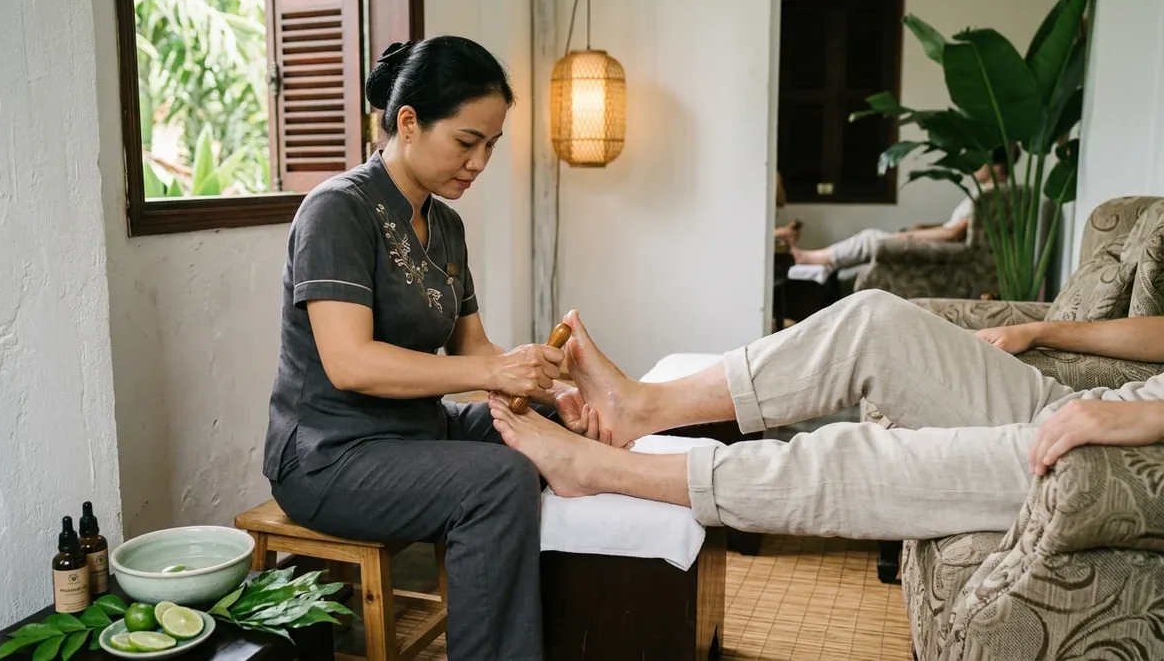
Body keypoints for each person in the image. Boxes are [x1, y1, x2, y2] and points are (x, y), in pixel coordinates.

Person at [262, 36, 597, 661]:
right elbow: (350, 362)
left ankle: (590, 625)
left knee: (558, 425)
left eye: (490, 147)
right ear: (408, 122)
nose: (478, 162)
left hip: (415, 433)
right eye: (467, 141)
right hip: (329, 456)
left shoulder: (445, 224)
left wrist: (534, 377)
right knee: (497, 480)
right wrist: (493, 369)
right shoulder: (337, 211)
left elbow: (474, 348)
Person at [486, 290, 1164, 541]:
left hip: (1127, 458)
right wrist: (1045, 332)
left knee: (854, 456)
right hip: (1095, 408)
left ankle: (604, 469)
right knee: (874, 321)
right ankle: (641, 408)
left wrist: (1149, 423)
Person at [787, 146, 1021, 271]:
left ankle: (811, 257)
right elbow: (957, 227)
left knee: (871, 239)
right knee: (873, 238)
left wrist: (907, 235)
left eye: (979, 160)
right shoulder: (991, 195)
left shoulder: (989, 199)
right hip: (943, 242)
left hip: (945, 249)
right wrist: (922, 227)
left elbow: (954, 233)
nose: (973, 166)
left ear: (995, 166)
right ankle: (817, 258)